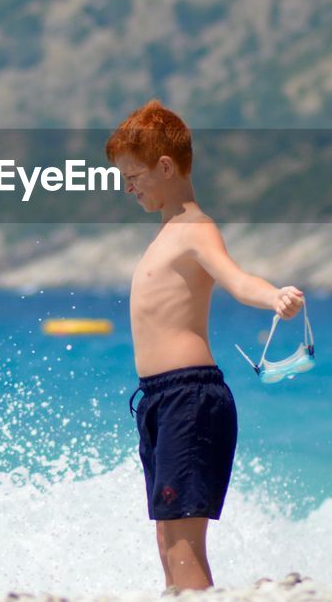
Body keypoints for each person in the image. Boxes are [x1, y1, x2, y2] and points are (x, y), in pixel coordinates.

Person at [105, 100, 304, 592]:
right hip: (157, 399)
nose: (128, 188)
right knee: (166, 537)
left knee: (184, 543)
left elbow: (237, 280)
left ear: (166, 167)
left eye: (134, 176)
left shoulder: (196, 228)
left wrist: (274, 296)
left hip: (189, 398)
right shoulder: (166, 233)